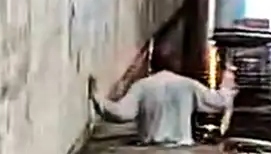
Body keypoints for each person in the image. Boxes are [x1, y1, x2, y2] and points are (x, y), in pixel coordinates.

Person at [90, 50, 237, 146]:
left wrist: (97, 99)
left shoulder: (142, 86)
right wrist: (227, 81)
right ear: (176, 65)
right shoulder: (189, 85)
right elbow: (219, 103)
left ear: (152, 66)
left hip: (150, 149)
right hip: (182, 150)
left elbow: (120, 114)